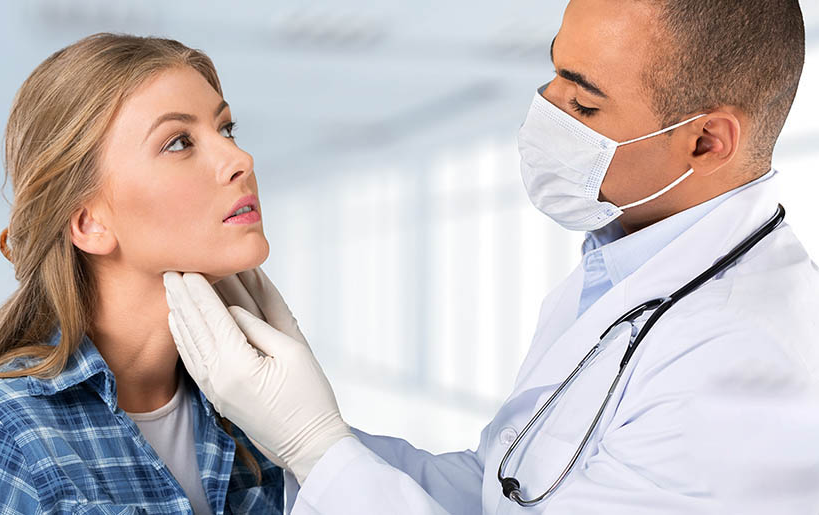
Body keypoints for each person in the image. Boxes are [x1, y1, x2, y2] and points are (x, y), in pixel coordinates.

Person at [163, 0, 819, 513]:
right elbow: (500, 489)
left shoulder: (743, 361)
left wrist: (317, 448)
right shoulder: (626, 263)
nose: (546, 108)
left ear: (707, 142)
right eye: (555, 72)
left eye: (584, 102)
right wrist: (304, 436)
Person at [0, 33, 284, 513]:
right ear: (89, 223)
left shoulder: (252, 417)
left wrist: (325, 452)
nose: (241, 160)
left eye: (227, 129)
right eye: (179, 142)